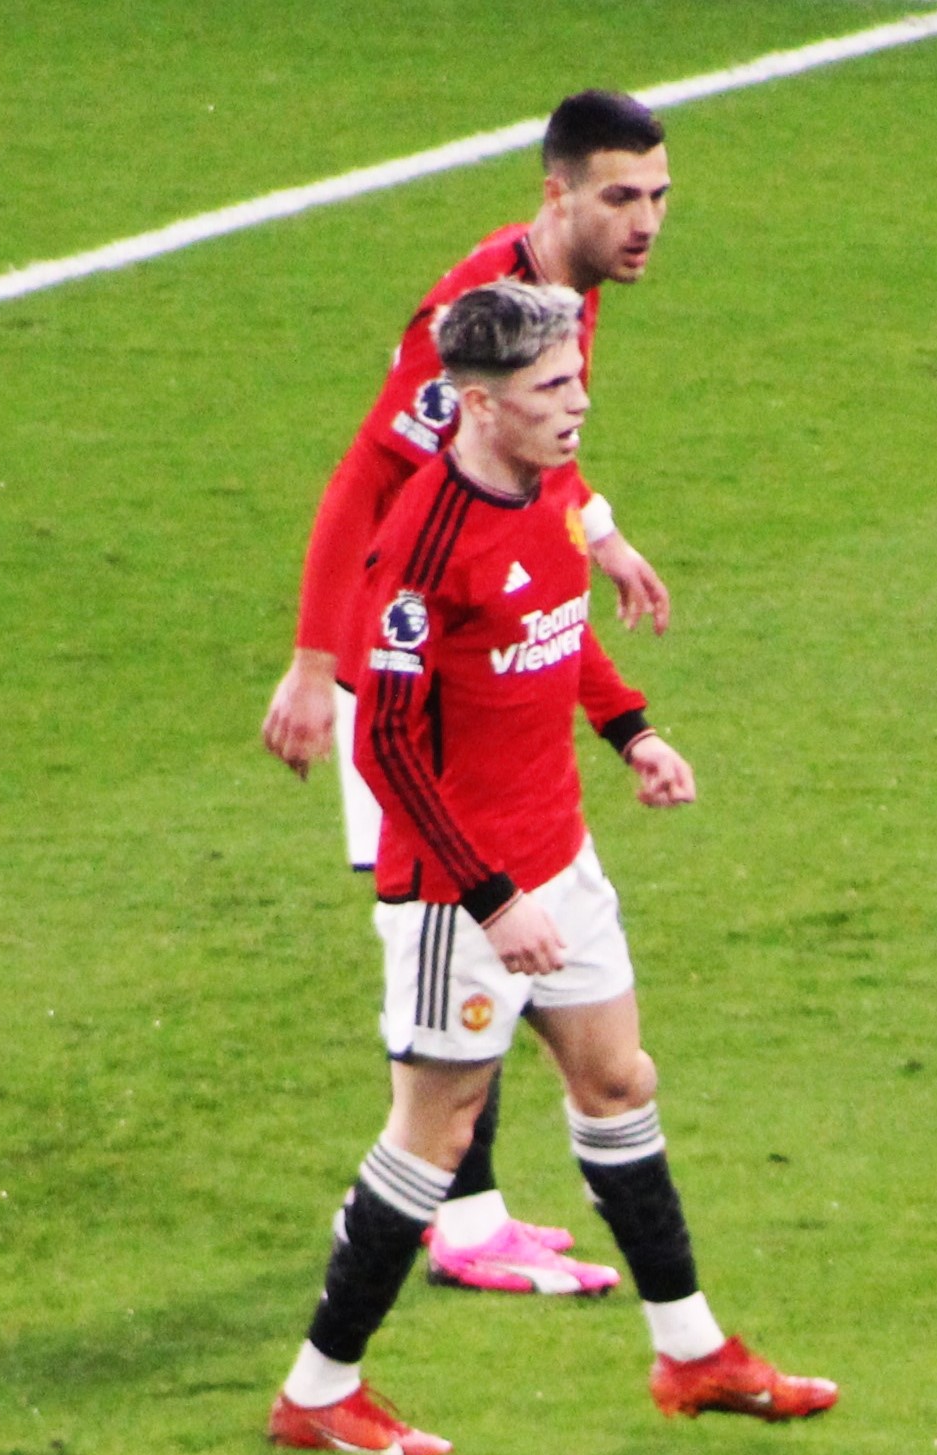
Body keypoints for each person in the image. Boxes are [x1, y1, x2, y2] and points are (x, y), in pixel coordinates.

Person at [266, 279, 837, 1455]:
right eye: (550, 388)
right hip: (457, 895)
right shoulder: (422, 550)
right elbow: (386, 747)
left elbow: (559, 630)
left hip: (558, 857)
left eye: (576, 378)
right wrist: (491, 901)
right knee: (432, 1137)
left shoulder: (554, 488)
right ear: (479, 405)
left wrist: (633, 732)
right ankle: (318, 1390)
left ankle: (691, 1354)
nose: (578, 403)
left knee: (619, 1082)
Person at [259, 88, 682, 1298]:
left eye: (659, 197)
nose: (646, 221)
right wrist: (314, 663)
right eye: (620, 197)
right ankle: (439, 1216)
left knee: (486, 932)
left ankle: (465, 1202)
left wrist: (599, 531)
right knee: (451, 920)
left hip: (478, 623)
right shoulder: (474, 312)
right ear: (557, 195)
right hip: (411, 654)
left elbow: (529, 457)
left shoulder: (560, 297)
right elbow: (368, 473)